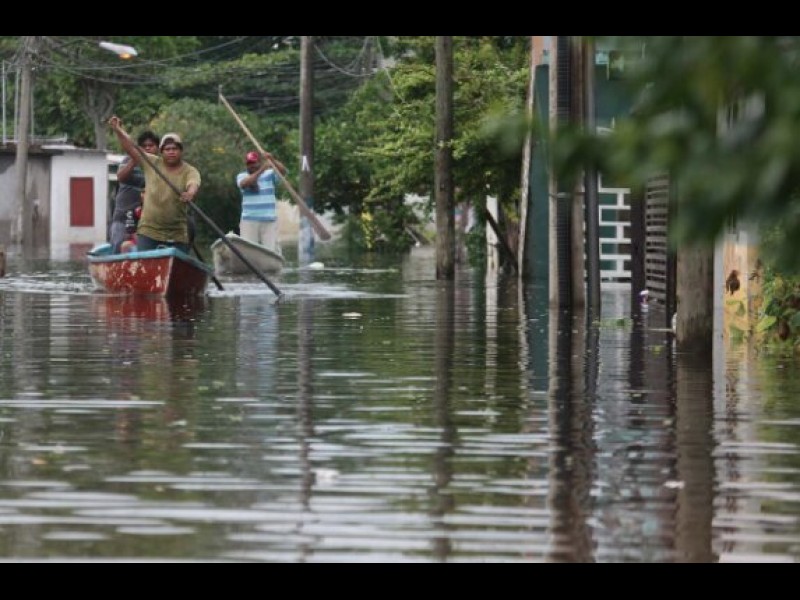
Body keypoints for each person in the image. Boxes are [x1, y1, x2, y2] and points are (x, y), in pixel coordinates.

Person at [108, 116, 201, 254]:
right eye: (167, 149)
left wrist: (190, 193)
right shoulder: (152, 163)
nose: (171, 151)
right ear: (162, 152)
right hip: (149, 232)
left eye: (175, 148)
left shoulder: (189, 170)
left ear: (181, 151)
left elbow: (193, 183)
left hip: (177, 233)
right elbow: (130, 147)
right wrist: (118, 130)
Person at [109, 130, 159, 253]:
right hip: (124, 216)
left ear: (157, 148)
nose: (147, 148)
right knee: (119, 247)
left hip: (148, 221)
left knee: (148, 251)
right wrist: (134, 160)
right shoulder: (128, 160)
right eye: (144, 146)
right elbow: (121, 177)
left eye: (151, 145)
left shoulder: (160, 166)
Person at [236, 150, 287, 253]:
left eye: (254, 163)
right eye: (249, 163)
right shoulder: (242, 176)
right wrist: (262, 169)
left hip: (269, 219)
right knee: (248, 251)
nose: (251, 166)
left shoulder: (270, 174)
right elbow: (244, 184)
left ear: (259, 162)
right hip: (249, 219)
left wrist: (272, 160)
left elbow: (283, 172)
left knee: (270, 250)